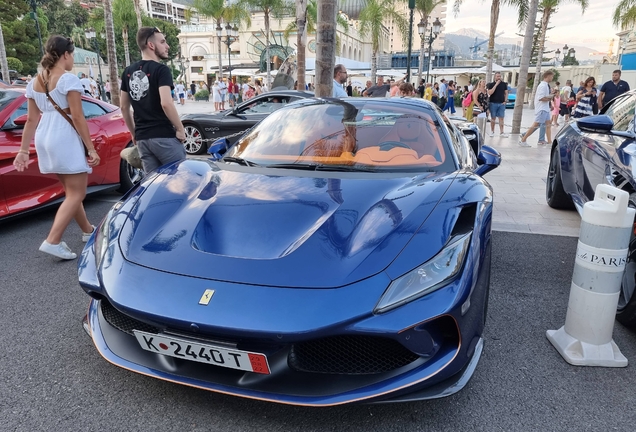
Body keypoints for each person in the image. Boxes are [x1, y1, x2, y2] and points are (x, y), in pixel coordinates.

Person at [12, 35, 101, 260]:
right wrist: (91, 148)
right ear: (66, 55)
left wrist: (23, 150)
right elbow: (78, 117)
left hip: (44, 136)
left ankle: (87, 230)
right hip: (64, 136)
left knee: (71, 191)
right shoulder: (68, 79)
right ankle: (53, 240)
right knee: (78, 192)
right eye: (72, 55)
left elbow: (31, 119)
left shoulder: (35, 81)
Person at [120, 26, 186, 175]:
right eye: (162, 42)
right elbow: (166, 103)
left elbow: (124, 107)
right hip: (164, 136)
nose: (167, 46)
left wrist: (134, 133)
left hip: (143, 139)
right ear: (151, 45)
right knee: (180, 180)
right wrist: (180, 129)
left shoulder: (128, 72)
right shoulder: (161, 70)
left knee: (153, 185)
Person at [519, 70, 556, 147]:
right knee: (536, 124)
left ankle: (549, 142)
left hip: (545, 108)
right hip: (542, 108)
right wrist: (550, 98)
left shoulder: (546, 85)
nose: (552, 78)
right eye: (552, 76)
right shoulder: (543, 86)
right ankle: (523, 139)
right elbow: (541, 98)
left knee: (548, 124)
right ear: (548, 76)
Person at [486, 72, 509, 137]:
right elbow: (490, 93)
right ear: (495, 77)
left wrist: (505, 101)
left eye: (499, 76)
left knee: (501, 118)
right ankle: (492, 131)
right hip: (493, 103)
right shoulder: (491, 84)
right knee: (493, 118)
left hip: (501, 103)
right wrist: (496, 85)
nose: (499, 77)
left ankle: (502, 132)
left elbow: (506, 93)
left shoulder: (504, 84)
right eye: (497, 76)